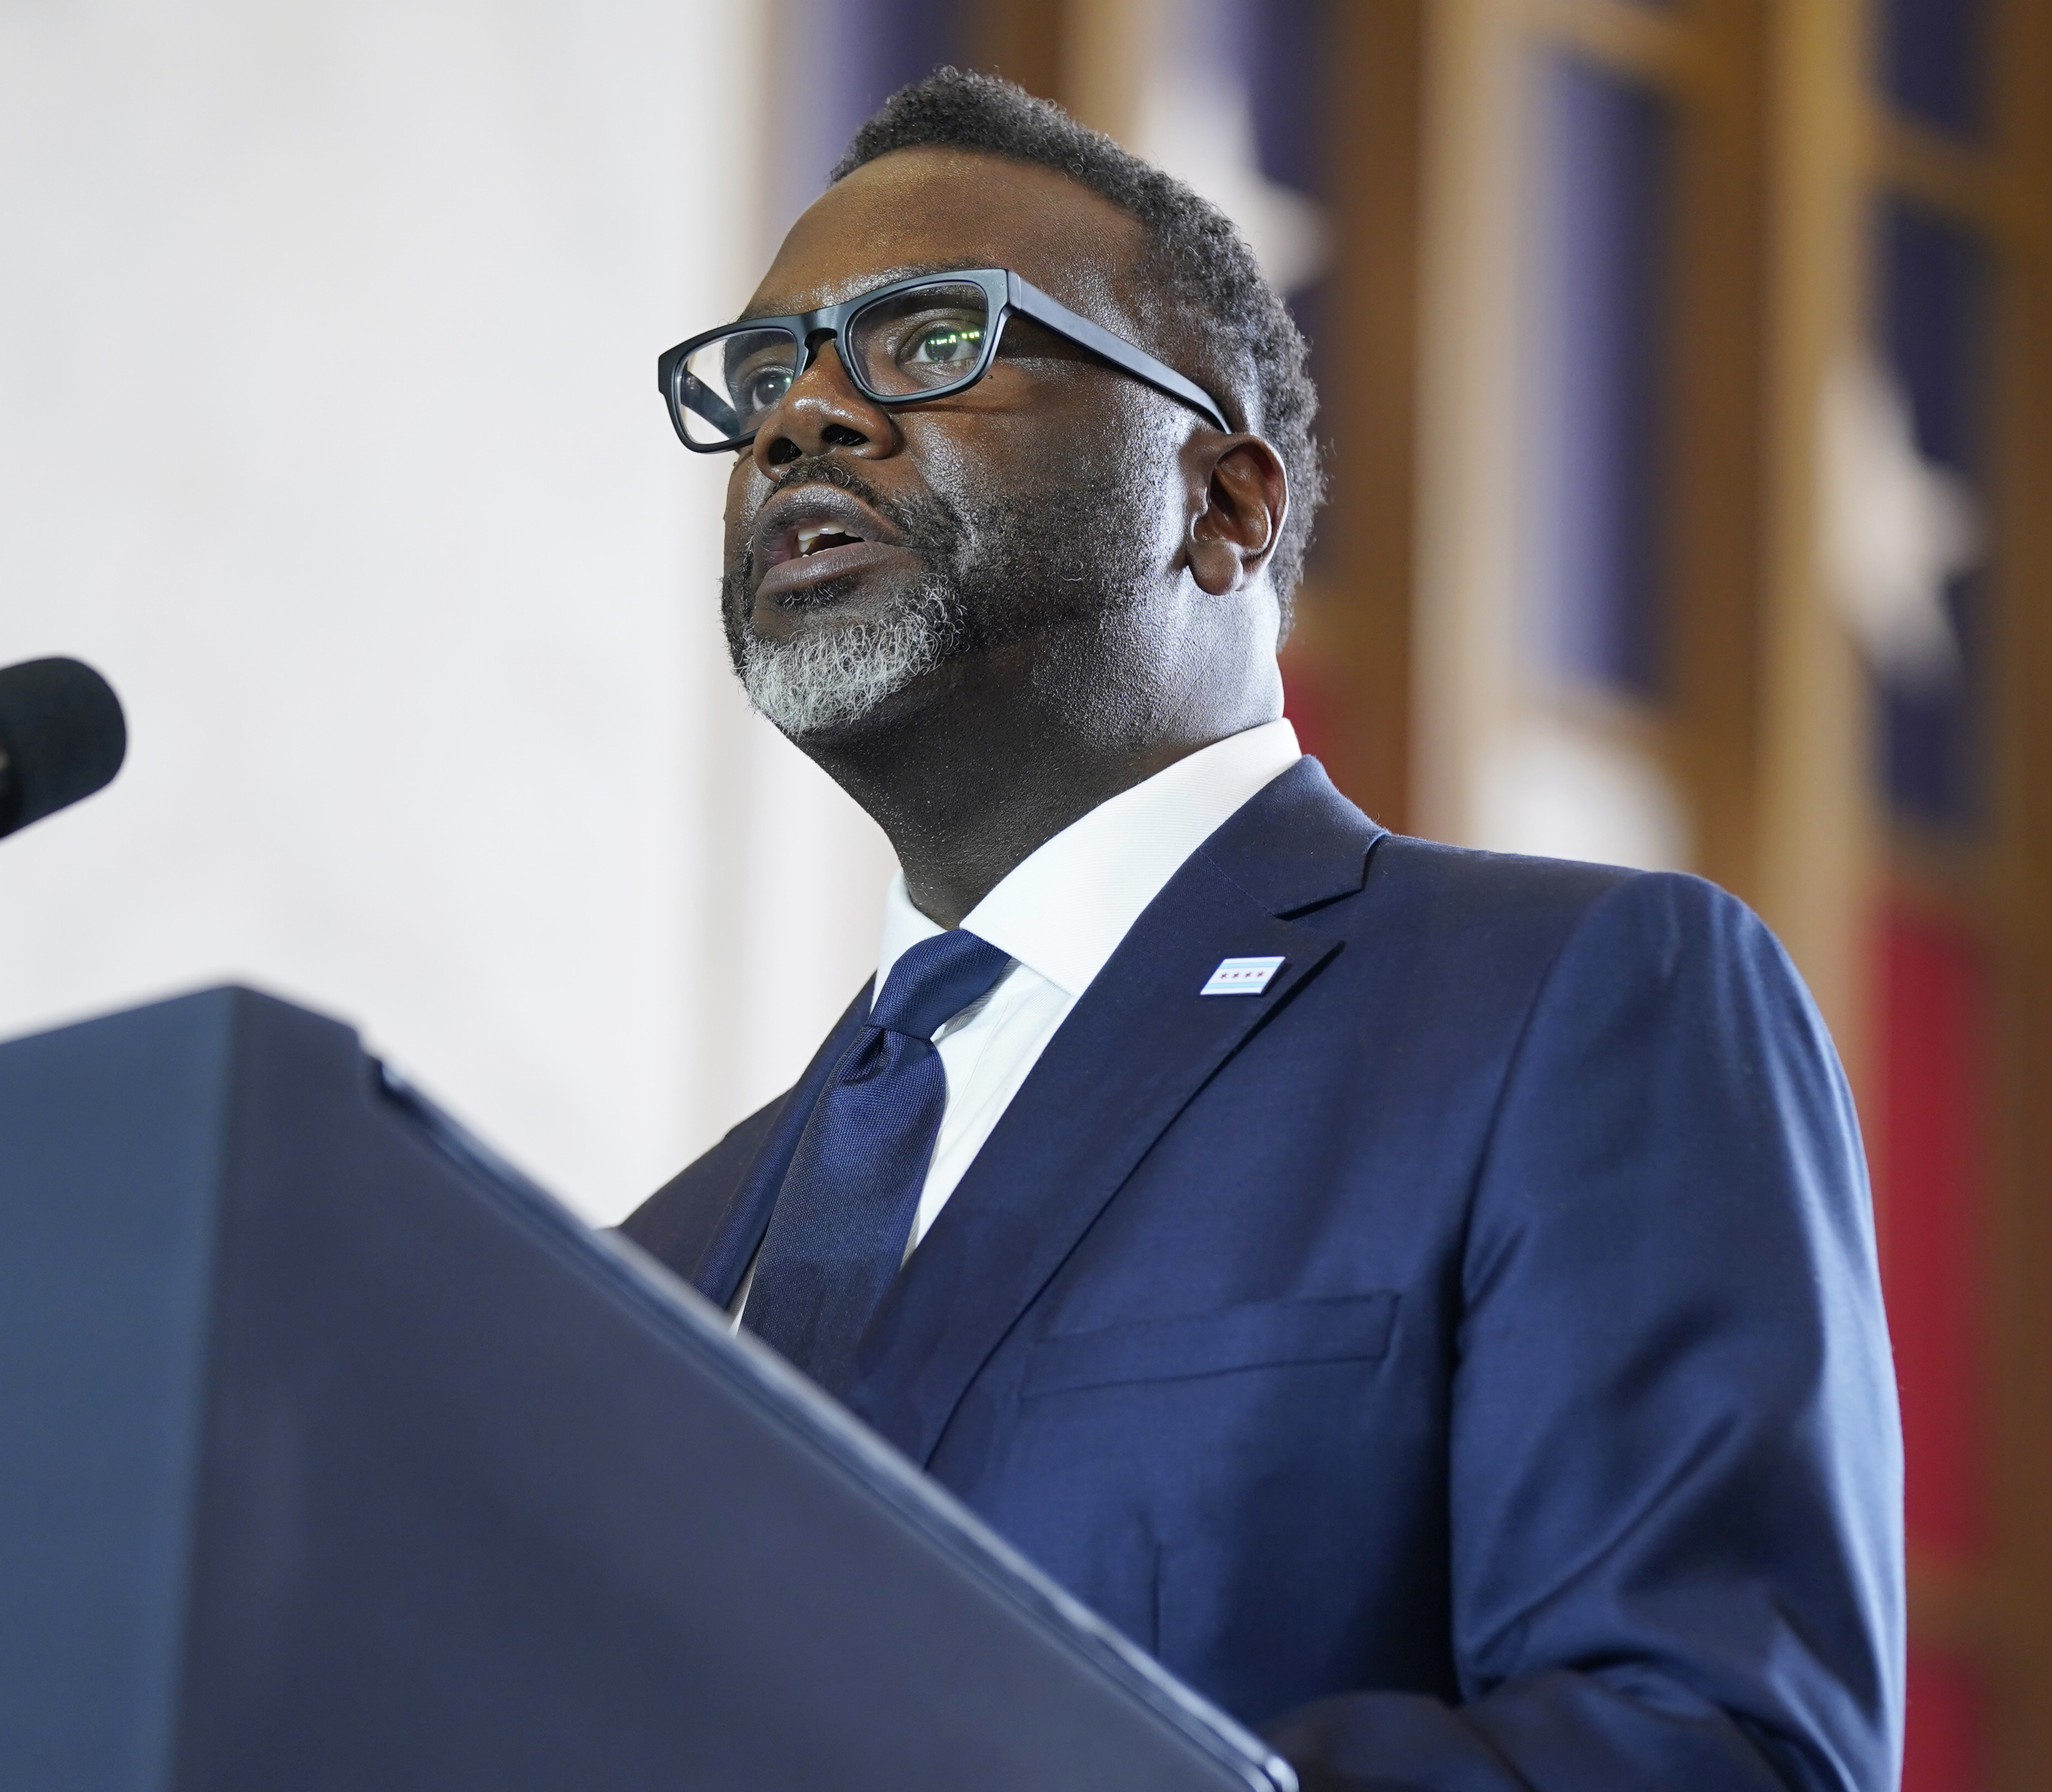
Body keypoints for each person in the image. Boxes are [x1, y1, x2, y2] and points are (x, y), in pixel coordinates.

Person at [622, 70, 1900, 1791]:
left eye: (929, 343)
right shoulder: (649, 1260)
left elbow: (1711, 1749)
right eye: (765, 376)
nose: (802, 421)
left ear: (1223, 506)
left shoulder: (1566, 1009)